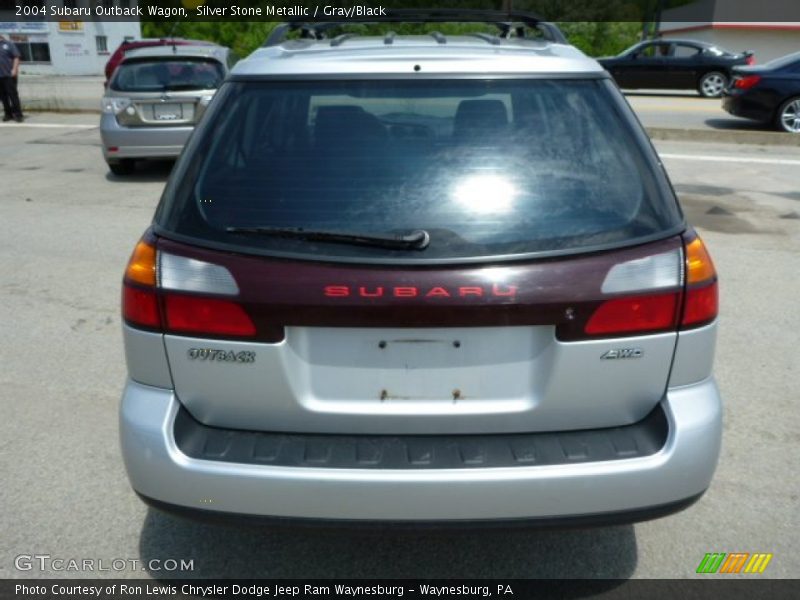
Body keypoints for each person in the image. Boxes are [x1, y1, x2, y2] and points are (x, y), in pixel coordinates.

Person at [0, 34, 24, 122]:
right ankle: (8, 114)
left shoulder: (9, 44)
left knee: (13, 95)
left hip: (9, 75)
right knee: (3, 97)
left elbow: (16, 57)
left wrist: (14, 69)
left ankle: (18, 114)